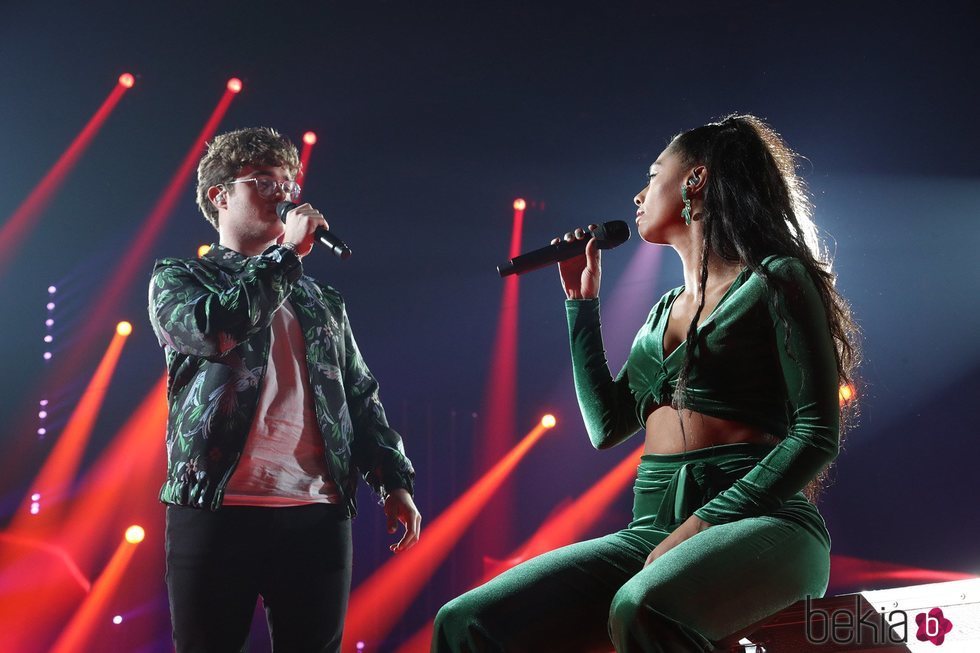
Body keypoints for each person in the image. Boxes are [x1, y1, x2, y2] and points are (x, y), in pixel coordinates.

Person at [433, 114, 858, 652]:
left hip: (762, 524)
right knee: (466, 620)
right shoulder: (659, 315)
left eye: (654, 174)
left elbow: (818, 432)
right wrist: (581, 307)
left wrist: (703, 523)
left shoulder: (775, 279)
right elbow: (606, 426)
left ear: (695, 180)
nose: (639, 193)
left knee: (644, 607)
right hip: (653, 532)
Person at [148, 127, 421, 653]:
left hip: (315, 513)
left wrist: (393, 481)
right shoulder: (182, 279)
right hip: (215, 505)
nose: (285, 195)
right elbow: (216, 329)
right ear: (220, 194)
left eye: (288, 183)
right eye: (265, 183)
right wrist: (287, 256)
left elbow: (361, 396)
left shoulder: (321, 300)